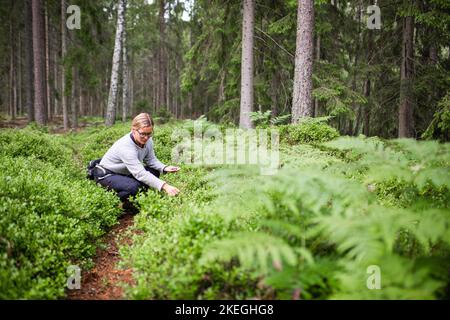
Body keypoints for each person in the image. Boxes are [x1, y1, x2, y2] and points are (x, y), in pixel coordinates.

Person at [93, 113, 180, 212]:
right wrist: (165, 186)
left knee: (154, 171)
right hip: (107, 175)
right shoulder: (125, 146)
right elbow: (140, 174)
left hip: (125, 173)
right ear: (133, 130)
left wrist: (164, 167)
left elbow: (151, 160)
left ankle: (133, 199)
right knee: (134, 187)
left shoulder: (148, 140)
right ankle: (118, 202)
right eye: (143, 134)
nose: (146, 138)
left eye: (149, 133)